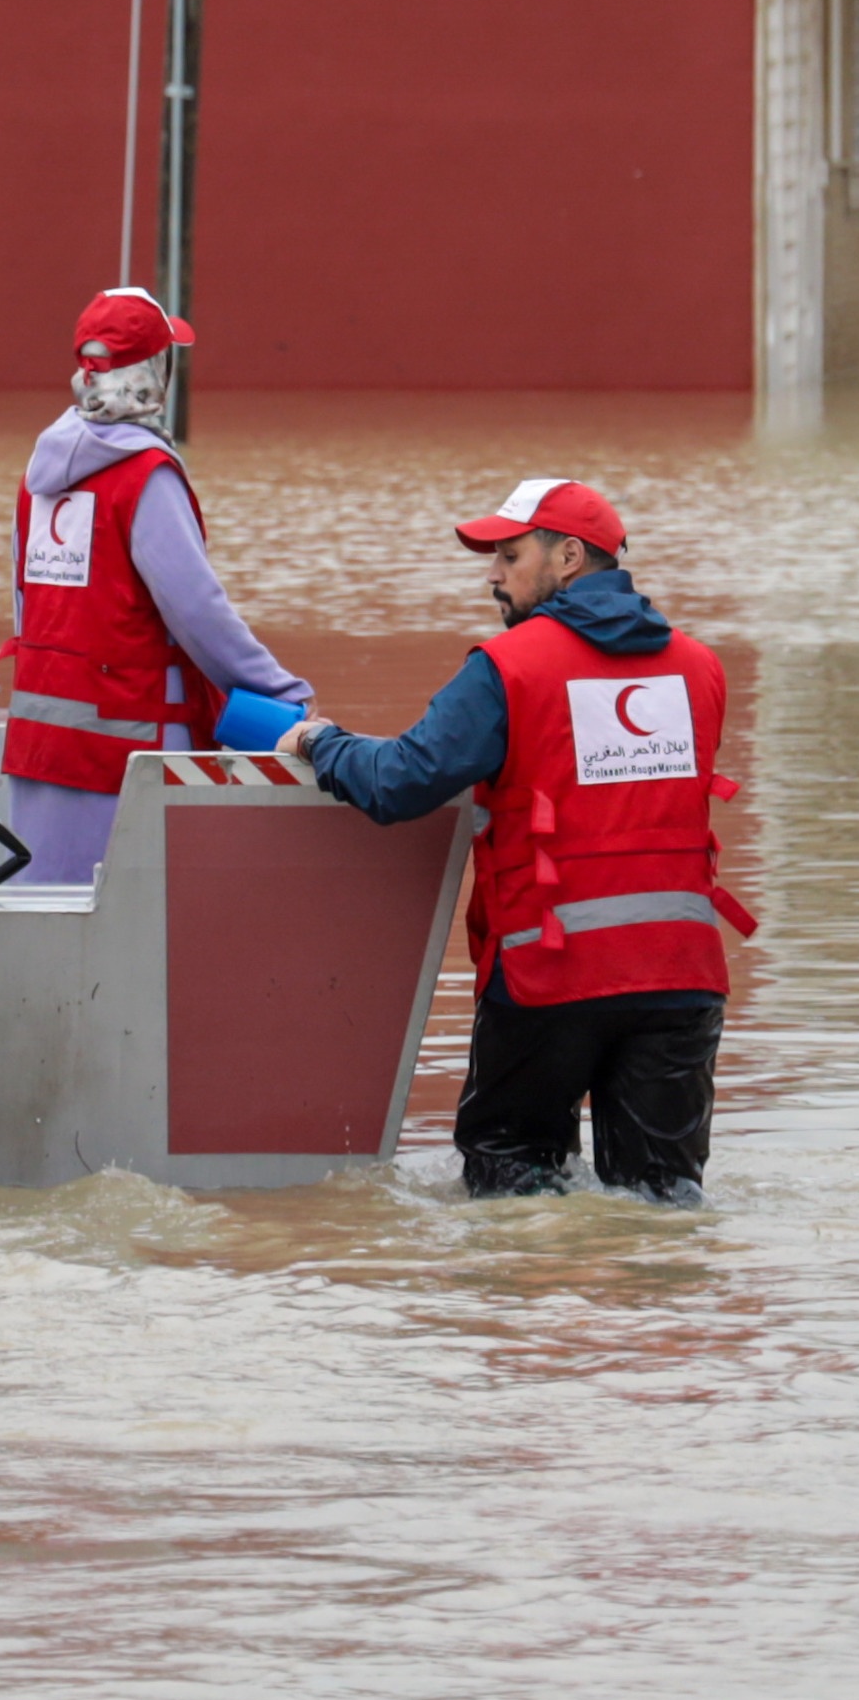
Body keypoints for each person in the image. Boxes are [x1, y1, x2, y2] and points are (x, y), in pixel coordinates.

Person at [278, 477, 748, 1204]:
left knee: (511, 1193)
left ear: (566, 557)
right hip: (680, 977)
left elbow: (402, 781)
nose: (492, 574)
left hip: (548, 974)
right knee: (663, 1203)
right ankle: (665, 1316)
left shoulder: (507, 669)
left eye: (508, 554)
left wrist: (319, 740)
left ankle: (529, 1319)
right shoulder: (700, 668)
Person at [0, 285, 313, 884]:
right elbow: (196, 611)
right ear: (153, 372)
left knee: (51, 939)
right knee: (133, 946)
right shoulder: (147, 476)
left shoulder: (40, 473)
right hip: (131, 750)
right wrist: (282, 693)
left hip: (40, 747)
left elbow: (26, 606)